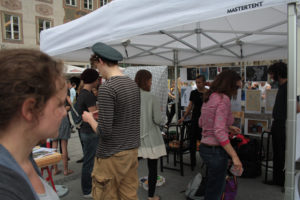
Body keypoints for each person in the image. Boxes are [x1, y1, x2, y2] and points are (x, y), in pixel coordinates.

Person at [0, 49, 65, 200]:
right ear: (30, 109)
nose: (64, 113)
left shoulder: (23, 157)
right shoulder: (5, 189)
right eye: (59, 105)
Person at [82, 42, 140, 200]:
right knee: (129, 196)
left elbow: (104, 132)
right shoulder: (133, 85)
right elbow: (128, 115)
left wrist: (89, 119)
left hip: (111, 156)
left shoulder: (108, 88)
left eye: (97, 67)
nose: (98, 73)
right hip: (131, 152)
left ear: (100, 61)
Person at [198, 70, 243, 200]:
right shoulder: (224, 99)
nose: (236, 91)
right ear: (229, 85)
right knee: (215, 190)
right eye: (236, 87)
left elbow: (202, 122)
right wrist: (235, 157)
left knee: (212, 187)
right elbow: (218, 131)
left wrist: (227, 127)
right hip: (215, 151)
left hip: (204, 147)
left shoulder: (209, 97)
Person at [135, 70, 167, 200]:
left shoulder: (130, 96)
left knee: (129, 168)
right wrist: (159, 112)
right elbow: (158, 120)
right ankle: (151, 196)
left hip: (134, 139)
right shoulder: (152, 97)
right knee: (152, 169)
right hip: (151, 139)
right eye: (150, 80)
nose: (151, 82)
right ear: (146, 81)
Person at [76, 68, 100, 198]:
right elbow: (94, 116)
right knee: (89, 162)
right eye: (97, 79)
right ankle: (87, 190)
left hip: (84, 131)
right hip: (90, 131)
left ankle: (88, 187)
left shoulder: (82, 93)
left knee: (88, 160)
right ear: (93, 80)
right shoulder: (89, 95)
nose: (98, 81)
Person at [178, 75, 207, 169]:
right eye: (196, 82)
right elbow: (190, 106)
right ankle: (193, 162)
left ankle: (207, 162)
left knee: (205, 141)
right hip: (195, 119)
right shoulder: (193, 93)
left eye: (200, 82)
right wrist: (183, 117)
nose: (198, 84)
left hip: (206, 121)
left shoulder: (209, 93)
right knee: (192, 141)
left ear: (204, 82)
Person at [266, 61, 287, 187]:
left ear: (278, 74)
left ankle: (280, 180)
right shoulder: (281, 86)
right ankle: (277, 178)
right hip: (278, 123)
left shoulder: (288, 87)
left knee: (280, 153)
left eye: (272, 74)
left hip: (282, 124)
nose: (271, 77)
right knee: (277, 152)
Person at [52, 86, 74, 176]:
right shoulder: (64, 95)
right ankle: (65, 170)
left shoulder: (51, 96)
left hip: (53, 120)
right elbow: (70, 105)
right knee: (64, 145)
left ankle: (55, 169)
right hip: (63, 119)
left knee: (54, 146)